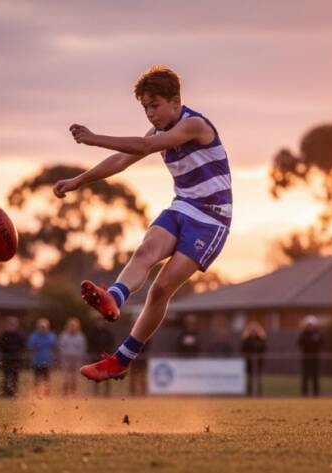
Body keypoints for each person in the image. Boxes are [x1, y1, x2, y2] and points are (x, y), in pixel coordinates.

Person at [53, 66, 232, 381]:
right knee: (146, 250)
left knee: (161, 289)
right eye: (145, 108)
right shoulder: (158, 131)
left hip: (212, 219)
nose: (150, 114)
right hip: (183, 206)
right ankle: (115, 297)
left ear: (175, 101)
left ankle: (122, 359)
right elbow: (121, 161)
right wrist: (78, 180)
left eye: (155, 105)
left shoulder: (194, 124)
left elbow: (145, 147)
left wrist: (94, 138)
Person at [86, 315, 115, 397]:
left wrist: (107, 353)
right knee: (95, 376)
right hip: (95, 358)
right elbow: (90, 344)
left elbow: (111, 344)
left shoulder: (108, 332)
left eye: (101, 321)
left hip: (106, 358)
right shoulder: (92, 332)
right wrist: (94, 353)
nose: (100, 323)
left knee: (107, 376)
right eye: (98, 321)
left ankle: (107, 394)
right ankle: (96, 393)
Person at [58, 317, 87, 397]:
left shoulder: (81, 337)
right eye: (71, 325)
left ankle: (74, 393)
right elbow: (61, 347)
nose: (73, 327)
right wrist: (64, 355)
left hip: (76, 359)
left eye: (74, 326)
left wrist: (78, 357)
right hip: (66, 359)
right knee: (66, 377)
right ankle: (65, 393)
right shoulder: (64, 336)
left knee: (75, 377)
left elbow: (82, 348)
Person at [27, 318, 56, 397]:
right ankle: (37, 394)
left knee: (46, 379)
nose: (43, 329)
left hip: (47, 362)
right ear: (38, 327)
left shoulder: (51, 336)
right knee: (36, 379)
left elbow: (53, 346)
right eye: (41, 327)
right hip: (36, 362)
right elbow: (31, 347)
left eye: (44, 327)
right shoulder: (34, 336)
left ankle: (46, 394)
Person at [0, 316, 25, 397]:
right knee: (6, 376)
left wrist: (16, 351)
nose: (12, 326)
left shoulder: (19, 335)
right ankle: (5, 392)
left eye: (13, 324)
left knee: (15, 376)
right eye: (10, 324)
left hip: (16, 359)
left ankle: (14, 392)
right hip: (6, 358)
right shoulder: (4, 335)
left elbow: (22, 345)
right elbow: (1, 345)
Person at [297, 315, 323, 398]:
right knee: (305, 376)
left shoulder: (318, 334)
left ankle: (316, 393)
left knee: (315, 376)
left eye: (311, 325)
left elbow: (322, 344)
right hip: (306, 359)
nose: (310, 327)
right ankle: (304, 393)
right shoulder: (303, 334)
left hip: (315, 358)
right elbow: (300, 343)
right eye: (308, 325)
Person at [241, 321, 267, 397]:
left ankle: (259, 392)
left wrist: (262, 336)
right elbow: (243, 348)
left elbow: (264, 347)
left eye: (255, 330)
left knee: (259, 377)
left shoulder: (260, 339)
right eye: (252, 330)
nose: (253, 331)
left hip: (258, 362)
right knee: (249, 377)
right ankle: (249, 392)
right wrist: (244, 337)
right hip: (249, 362)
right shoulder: (247, 339)